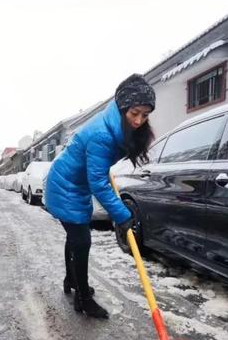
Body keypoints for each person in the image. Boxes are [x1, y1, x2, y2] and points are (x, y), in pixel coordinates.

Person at [45, 74, 155, 319]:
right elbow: (98, 183)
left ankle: (72, 281)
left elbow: (97, 173)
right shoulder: (102, 135)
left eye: (145, 115)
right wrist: (122, 215)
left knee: (76, 235)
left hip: (76, 183)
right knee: (81, 239)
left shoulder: (115, 123)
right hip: (65, 186)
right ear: (123, 107)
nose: (139, 120)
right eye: (134, 113)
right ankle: (83, 299)